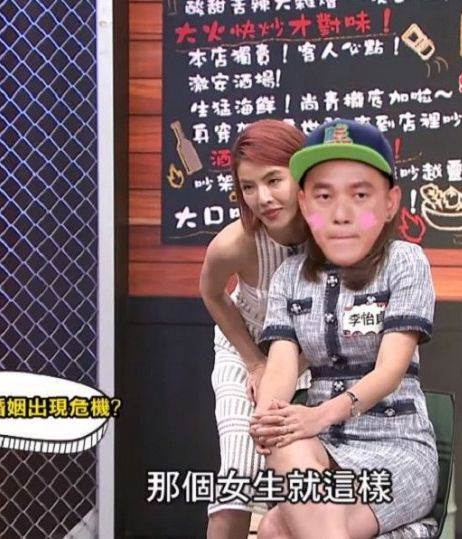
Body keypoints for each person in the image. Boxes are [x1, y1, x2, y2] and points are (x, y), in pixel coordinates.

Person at [251, 119, 438, 538]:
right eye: (324, 196)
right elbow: (280, 366)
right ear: (304, 203)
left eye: (360, 195)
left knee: (277, 529)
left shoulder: (405, 262)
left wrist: (319, 416)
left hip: (397, 449)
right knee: (283, 441)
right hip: (322, 449)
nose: (340, 215)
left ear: (390, 203)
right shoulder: (289, 277)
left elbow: (390, 371)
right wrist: (269, 417)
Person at [199, 119, 311, 539]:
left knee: (305, 482)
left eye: (273, 180)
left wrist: (292, 368)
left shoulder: (332, 236)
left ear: (301, 173)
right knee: (238, 476)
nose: (262, 198)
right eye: (248, 186)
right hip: (246, 353)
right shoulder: (235, 243)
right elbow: (212, 293)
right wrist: (253, 362)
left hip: (312, 359)